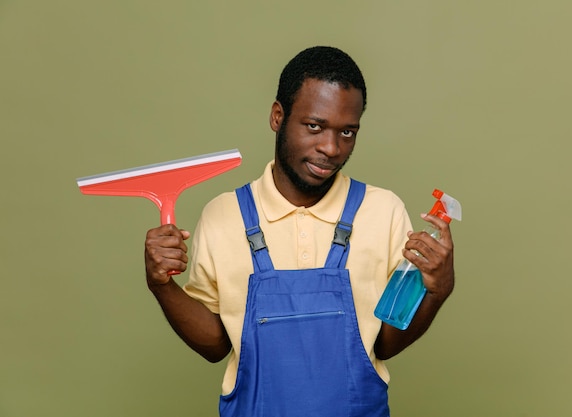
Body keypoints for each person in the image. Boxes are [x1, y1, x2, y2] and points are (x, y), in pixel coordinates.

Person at [144, 46, 455, 417]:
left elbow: (384, 343)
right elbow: (214, 344)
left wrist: (438, 291)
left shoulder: (383, 211)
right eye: (314, 126)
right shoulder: (223, 215)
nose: (331, 147)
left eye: (347, 132)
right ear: (278, 116)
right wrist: (161, 285)